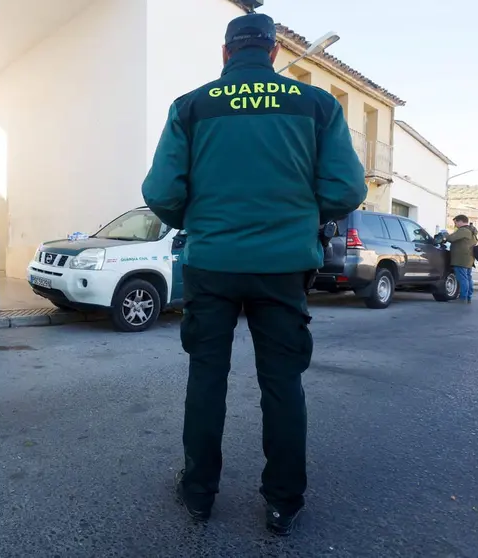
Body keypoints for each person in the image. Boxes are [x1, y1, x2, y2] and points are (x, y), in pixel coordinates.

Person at [141, 12, 367, 536]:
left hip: (212, 263)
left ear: (225, 53)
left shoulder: (191, 106)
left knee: (206, 377)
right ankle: (283, 502)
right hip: (284, 266)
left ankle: (199, 494)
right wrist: (300, 218)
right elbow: (347, 189)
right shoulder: (317, 104)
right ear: (273, 52)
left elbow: (161, 192)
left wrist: (198, 220)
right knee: (282, 381)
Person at [445, 214, 478, 304]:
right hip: (469, 259)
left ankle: (463, 297)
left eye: (455, 222)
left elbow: (451, 238)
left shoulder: (463, 230)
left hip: (461, 259)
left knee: (463, 279)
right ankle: (468, 297)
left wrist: (445, 234)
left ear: (460, 221)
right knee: (468, 278)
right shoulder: (471, 230)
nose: (455, 225)